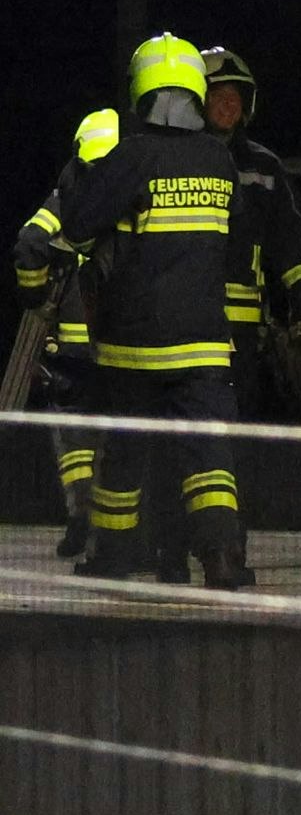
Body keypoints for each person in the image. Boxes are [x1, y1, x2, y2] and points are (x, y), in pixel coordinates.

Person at [20, 38, 284, 586]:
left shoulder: (133, 154)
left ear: (141, 90)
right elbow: (234, 237)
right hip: (207, 343)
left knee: (122, 456)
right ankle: (220, 557)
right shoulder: (218, 159)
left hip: (134, 345)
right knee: (210, 456)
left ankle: (116, 557)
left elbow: (82, 220)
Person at [197, 44, 301, 415]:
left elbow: (292, 242)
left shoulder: (263, 168)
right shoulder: (173, 158)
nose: (229, 106)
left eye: (236, 98)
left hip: (244, 340)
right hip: (181, 329)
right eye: (219, 96)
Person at [12, 108, 121, 555]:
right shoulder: (136, 192)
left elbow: (29, 244)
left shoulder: (67, 194)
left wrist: (35, 299)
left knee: (74, 434)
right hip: (123, 343)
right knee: (120, 436)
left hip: (72, 346)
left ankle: (82, 517)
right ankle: (121, 533)